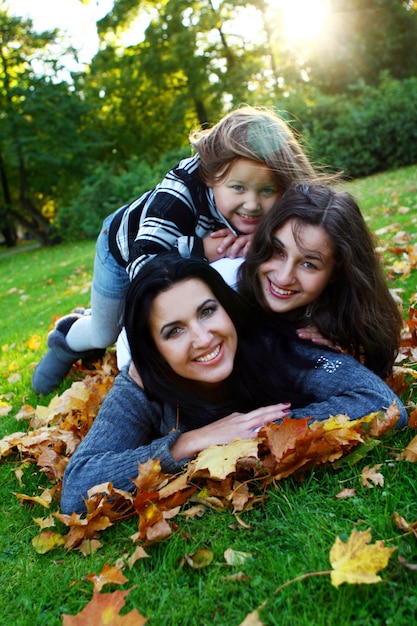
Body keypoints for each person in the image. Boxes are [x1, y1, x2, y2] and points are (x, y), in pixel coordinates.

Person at [60, 253, 407, 514]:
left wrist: (263, 429)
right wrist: (189, 443)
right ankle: (69, 335)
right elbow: (76, 489)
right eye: (174, 330)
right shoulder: (140, 384)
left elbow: (381, 402)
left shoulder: (273, 346)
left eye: (207, 311)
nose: (203, 338)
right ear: (155, 351)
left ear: (227, 309)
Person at [32, 105, 324, 396]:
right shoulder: (178, 194)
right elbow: (145, 264)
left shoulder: (276, 204)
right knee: (104, 332)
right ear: (210, 175)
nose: (251, 204)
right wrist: (200, 250)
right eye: (237, 188)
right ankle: (66, 336)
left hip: (178, 258)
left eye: (267, 191)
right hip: (124, 251)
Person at [237, 183, 404, 379]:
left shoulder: (341, 316)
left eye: (309, 264)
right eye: (278, 251)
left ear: (336, 273)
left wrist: (339, 348)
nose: (284, 277)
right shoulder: (227, 290)